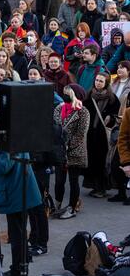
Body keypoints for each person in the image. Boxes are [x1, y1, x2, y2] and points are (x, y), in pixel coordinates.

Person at [0, 138, 42, 276]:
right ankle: (23, 262)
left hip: (16, 192)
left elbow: (3, 166)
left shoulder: (8, 138)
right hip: (20, 188)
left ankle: (18, 271)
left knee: (16, 234)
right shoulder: (16, 131)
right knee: (19, 231)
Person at [52, 84, 90, 219]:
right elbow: (53, 128)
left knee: (73, 181)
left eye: (67, 93)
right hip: (59, 152)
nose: (64, 95)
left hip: (74, 152)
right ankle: (57, 204)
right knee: (59, 180)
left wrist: (66, 146)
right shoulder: (58, 108)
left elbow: (81, 134)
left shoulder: (83, 112)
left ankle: (72, 207)